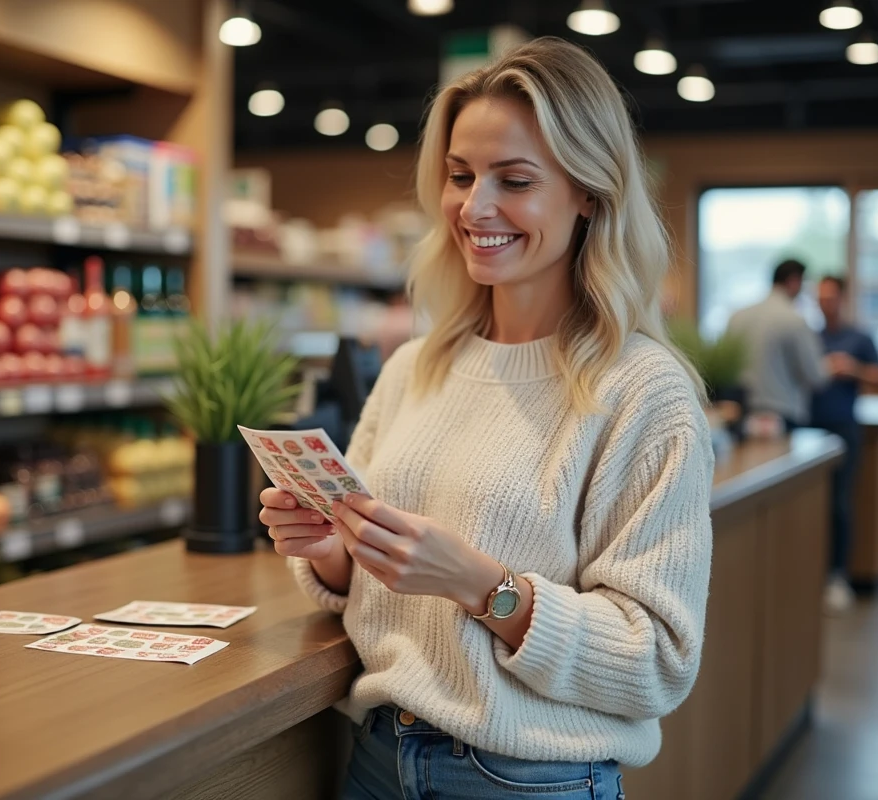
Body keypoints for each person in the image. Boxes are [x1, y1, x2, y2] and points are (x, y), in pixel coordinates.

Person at [259, 38, 714, 800]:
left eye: (516, 180)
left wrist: (483, 586)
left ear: (590, 194)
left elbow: (657, 661)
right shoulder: (416, 366)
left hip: (529, 780)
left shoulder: (645, 393)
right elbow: (369, 584)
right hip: (378, 756)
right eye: (461, 176)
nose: (475, 208)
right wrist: (334, 552)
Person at [812, 275, 878, 614]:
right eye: (820, 298)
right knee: (812, 505)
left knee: (840, 503)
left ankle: (837, 576)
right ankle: (810, 574)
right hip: (811, 429)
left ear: (842, 299)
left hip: (844, 427)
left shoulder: (860, 337)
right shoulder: (810, 337)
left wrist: (852, 369)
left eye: (831, 298)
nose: (825, 304)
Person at [726, 259, 843, 432]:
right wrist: (832, 366)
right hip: (784, 416)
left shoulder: (737, 316)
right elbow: (816, 377)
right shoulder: (794, 320)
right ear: (794, 281)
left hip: (743, 415)